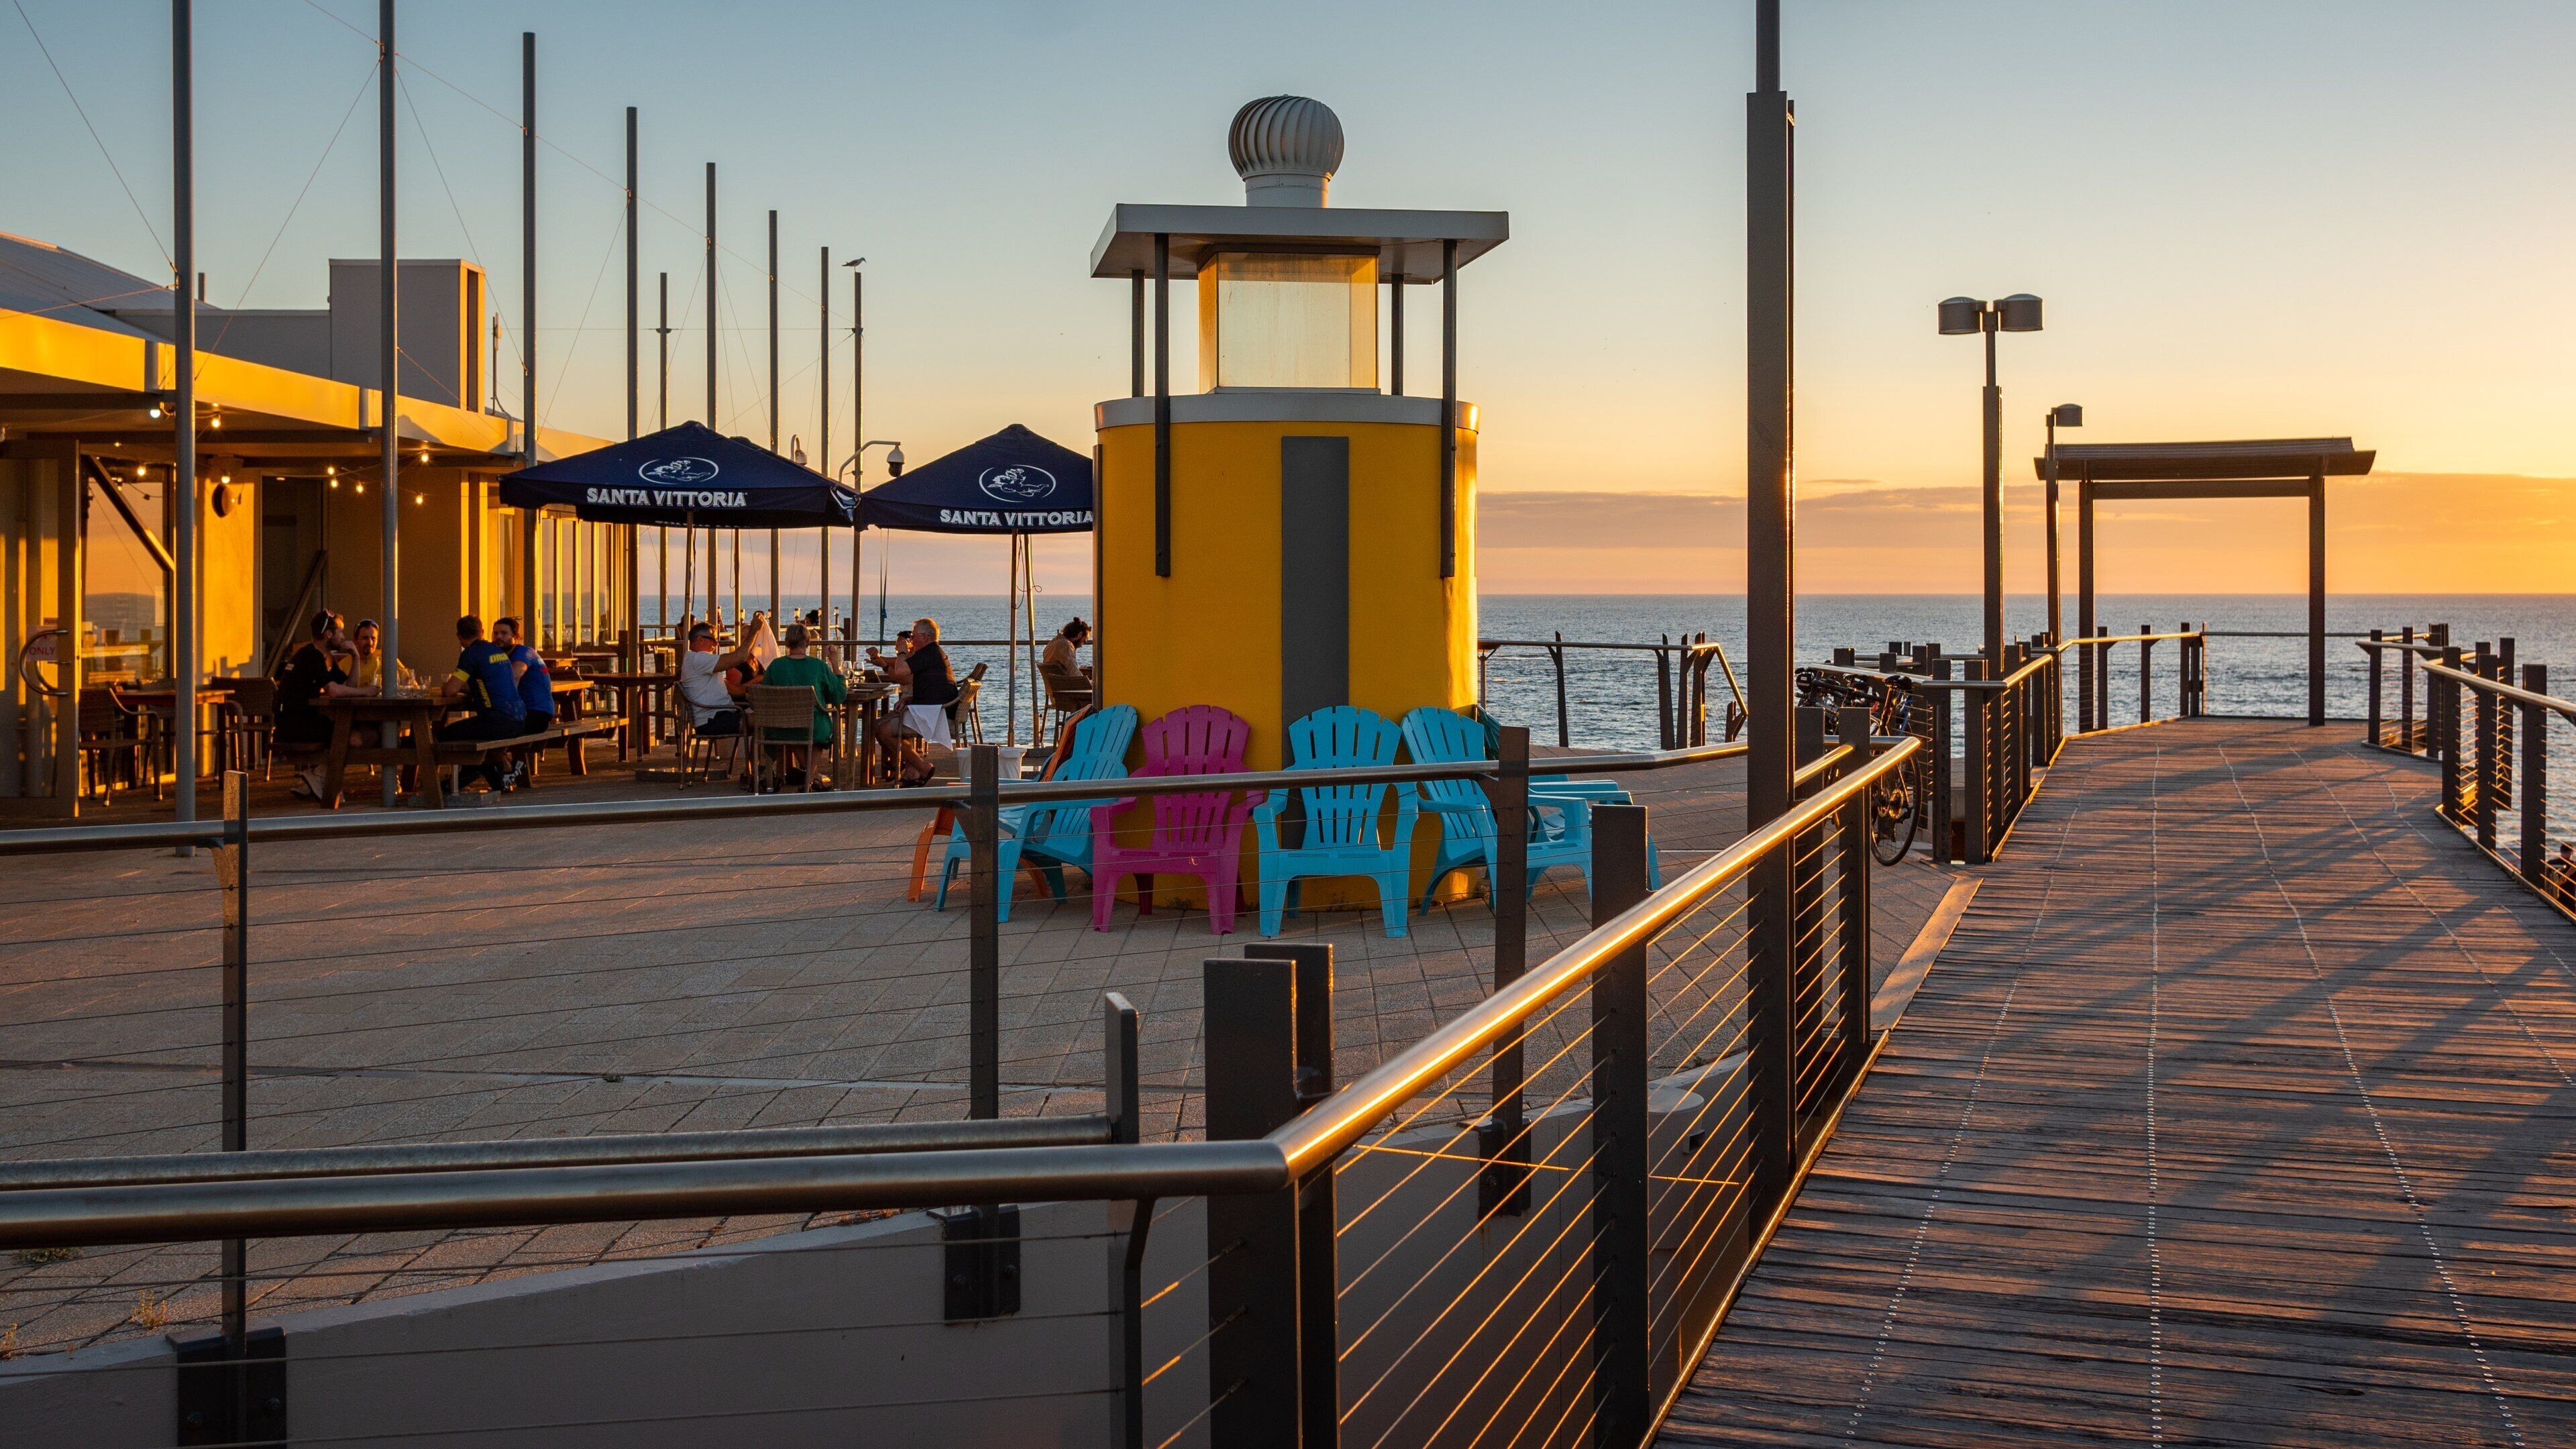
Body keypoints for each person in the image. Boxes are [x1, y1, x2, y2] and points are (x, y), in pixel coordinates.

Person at [437, 614, 527, 792]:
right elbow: (489, 682)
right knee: (482, 742)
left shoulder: (470, 654)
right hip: (519, 718)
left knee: (444, 736)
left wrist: (447, 686)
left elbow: (450, 691)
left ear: (458, 636)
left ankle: (453, 783)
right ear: (482, 632)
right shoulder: (496, 651)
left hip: (497, 721)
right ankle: (499, 783)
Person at [757, 623, 847, 788]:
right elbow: (839, 695)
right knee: (814, 730)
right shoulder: (818, 666)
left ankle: (811, 777)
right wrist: (835, 663)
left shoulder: (775, 666)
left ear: (786, 643)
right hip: (811, 726)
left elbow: (766, 696)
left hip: (779, 726)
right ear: (808, 643)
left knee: (796, 729)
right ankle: (810, 779)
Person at [871, 617, 957, 785]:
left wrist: (902, 650)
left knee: (884, 731)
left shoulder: (929, 652)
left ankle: (922, 768)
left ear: (925, 637)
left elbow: (902, 671)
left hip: (937, 713)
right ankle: (913, 770)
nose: (911, 639)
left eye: (913, 635)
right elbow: (916, 681)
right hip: (931, 708)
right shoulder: (931, 653)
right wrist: (910, 698)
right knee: (878, 724)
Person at [275, 610, 350, 799]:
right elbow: (334, 690)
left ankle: (316, 777)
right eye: (340, 632)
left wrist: (355, 657)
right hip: (293, 728)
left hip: (300, 722)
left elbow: (347, 684)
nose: (343, 636)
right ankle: (322, 778)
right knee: (347, 733)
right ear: (329, 635)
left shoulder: (323, 657)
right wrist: (368, 691)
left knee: (348, 729)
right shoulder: (311, 656)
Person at [676, 620, 761, 740]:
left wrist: (758, 683)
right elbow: (740, 657)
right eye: (713, 639)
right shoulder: (699, 659)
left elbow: (737, 690)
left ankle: (757, 759)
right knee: (767, 722)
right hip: (713, 719)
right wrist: (754, 631)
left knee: (767, 718)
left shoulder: (700, 663)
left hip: (722, 715)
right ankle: (760, 759)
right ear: (700, 639)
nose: (717, 644)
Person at [342, 619, 419, 692]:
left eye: (373, 638)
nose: (370, 643)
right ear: (355, 640)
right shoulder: (344, 664)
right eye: (365, 638)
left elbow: (410, 683)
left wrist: (410, 685)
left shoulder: (386, 657)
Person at [1042, 618, 1091, 690]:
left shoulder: (1053, 642)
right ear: (1080, 635)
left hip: (1057, 692)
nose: (1081, 646)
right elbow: (1074, 674)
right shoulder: (1066, 645)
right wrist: (1091, 685)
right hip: (1068, 693)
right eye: (1084, 641)